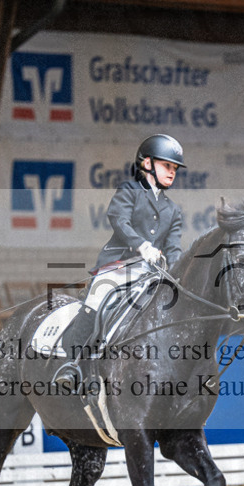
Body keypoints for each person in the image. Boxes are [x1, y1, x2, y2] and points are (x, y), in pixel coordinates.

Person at [53, 134, 187, 386]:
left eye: (175, 168)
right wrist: (142, 245)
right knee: (98, 297)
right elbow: (119, 219)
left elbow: (174, 248)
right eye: (167, 166)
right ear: (147, 164)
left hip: (151, 274)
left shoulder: (173, 210)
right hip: (119, 267)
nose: (172, 172)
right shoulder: (129, 191)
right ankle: (71, 364)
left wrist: (177, 272)